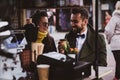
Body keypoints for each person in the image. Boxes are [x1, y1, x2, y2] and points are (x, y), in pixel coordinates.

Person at [104, 1, 120, 80]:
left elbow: (108, 31)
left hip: (116, 44)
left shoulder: (115, 17)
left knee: (118, 62)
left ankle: (116, 77)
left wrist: (109, 40)